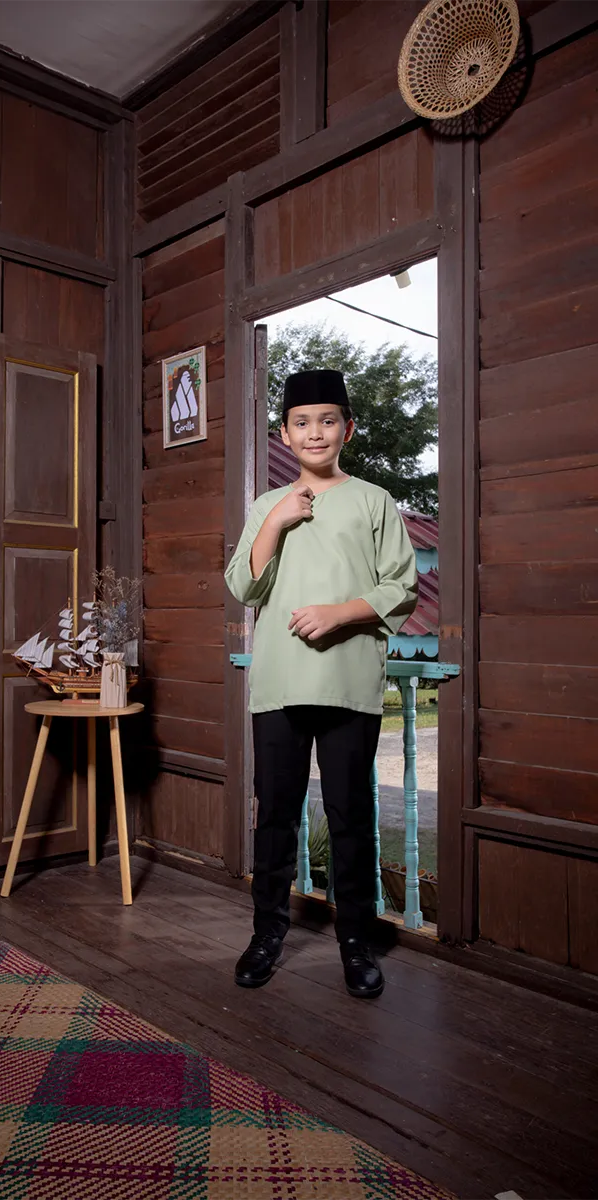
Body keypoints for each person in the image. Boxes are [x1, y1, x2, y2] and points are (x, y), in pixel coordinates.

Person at [224, 368, 418, 999]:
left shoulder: (374, 501)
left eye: (328, 420)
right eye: (302, 422)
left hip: (348, 683)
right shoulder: (266, 506)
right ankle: (265, 936)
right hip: (279, 684)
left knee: (352, 818)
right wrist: (277, 522)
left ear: (347, 429)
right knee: (275, 817)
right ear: (284, 433)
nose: (315, 432)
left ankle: (357, 944)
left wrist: (339, 614)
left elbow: (401, 587)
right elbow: (243, 585)